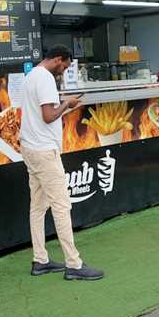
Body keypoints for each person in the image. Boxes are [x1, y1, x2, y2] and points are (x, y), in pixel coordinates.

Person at [20, 45, 104, 281]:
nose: (63, 71)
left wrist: (64, 105)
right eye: (65, 66)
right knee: (61, 205)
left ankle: (40, 260)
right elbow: (48, 116)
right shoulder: (46, 78)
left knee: (37, 207)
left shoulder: (31, 76)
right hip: (45, 151)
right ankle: (73, 264)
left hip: (30, 148)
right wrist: (67, 104)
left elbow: (39, 115)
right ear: (58, 59)